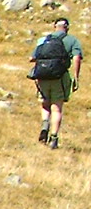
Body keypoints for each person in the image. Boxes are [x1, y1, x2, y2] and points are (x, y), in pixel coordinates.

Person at [31, 17, 84, 149]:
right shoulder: (72, 40)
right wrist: (76, 77)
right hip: (59, 77)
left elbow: (32, 58)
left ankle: (45, 125)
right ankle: (54, 138)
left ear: (54, 27)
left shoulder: (44, 39)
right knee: (56, 108)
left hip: (42, 77)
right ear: (67, 27)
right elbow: (77, 58)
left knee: (45, 104)